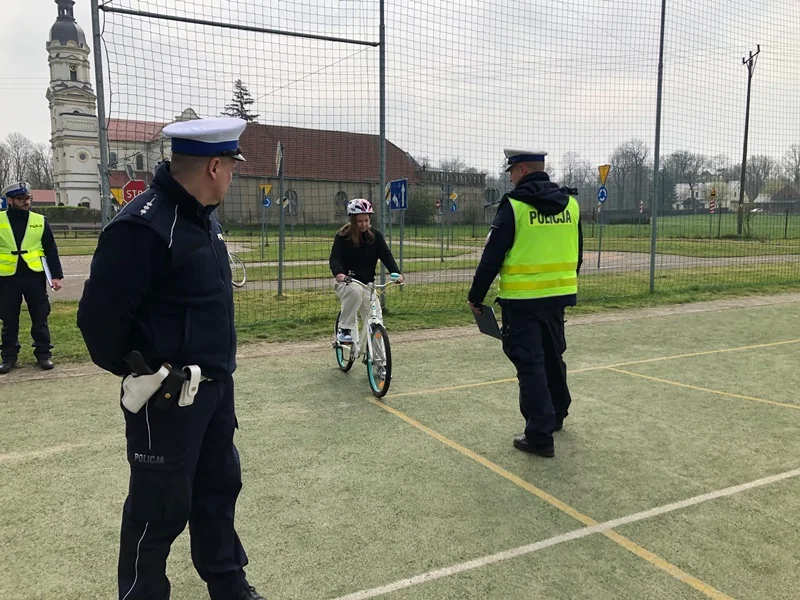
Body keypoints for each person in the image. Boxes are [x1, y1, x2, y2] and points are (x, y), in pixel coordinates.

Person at [77, 117, 266, 600]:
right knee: (157, 510)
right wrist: (145, 374)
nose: (233, 176)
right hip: (165, 399)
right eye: (232, 168)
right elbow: (99, 324)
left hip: (215, 393)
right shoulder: (144, 226)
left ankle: (228, 584)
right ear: (215, 166)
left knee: (218, 493)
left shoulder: (204, 219)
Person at [467, 150, 583, 458]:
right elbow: (578, 253)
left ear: (521, 169)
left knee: (530, 365)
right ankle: (557, 414)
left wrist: (475, 297)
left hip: (522, 302)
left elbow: (491, 258)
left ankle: (539, 436)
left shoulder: (514, 206)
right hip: (557, 298)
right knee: (553, 357)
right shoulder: (570, 204)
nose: (509, 177)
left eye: (511, 172)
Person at [0, 182, 63, 373]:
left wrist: (56, 276)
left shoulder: (40, 220)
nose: (26, 202)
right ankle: (9, 357)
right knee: (9, 319)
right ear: (9, 200)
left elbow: (50, 249)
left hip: (34, 276)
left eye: (28, 198)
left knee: (40, 316)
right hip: (7, 277)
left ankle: (44, 354)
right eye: (21, 199)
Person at [329, 198, 403, 343]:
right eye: (359, 221)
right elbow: (335, 258)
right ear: (352, 221)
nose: (363, 224)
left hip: (368, 285)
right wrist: (339, 274)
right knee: (355, 292)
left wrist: (396, 273)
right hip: (347, 282)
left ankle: (379, 359)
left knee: (377, 321)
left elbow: (386, 255)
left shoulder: (376, 236)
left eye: (366, 220)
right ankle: (344, 329)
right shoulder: (342, 236)